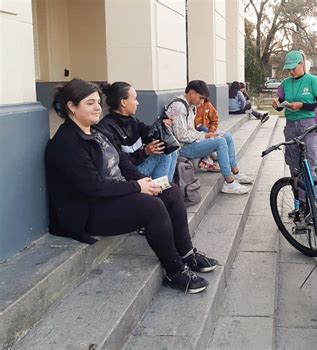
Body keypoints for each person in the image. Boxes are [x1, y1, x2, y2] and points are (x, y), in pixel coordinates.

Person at [45, 78, 217, 294]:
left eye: (98, 102)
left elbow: (122, 162)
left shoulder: (95, 131)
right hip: (89, 211)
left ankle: (187, 253)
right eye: (90, 103)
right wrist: (137, 187)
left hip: (111, 196)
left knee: (170, 191)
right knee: (151, 207)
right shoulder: (67, 143)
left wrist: (146, 182)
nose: (98, 107)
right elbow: (93, 187)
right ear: (71, 106)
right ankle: (174, 271)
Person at [166, 80, 253, 195]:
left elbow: (190, 130)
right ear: (191, 93)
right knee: (220, 142)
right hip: (181, 148)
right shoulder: (178, 107)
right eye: (200, 98)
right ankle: (229, 182)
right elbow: (181, 136)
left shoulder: (190, 106)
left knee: (226, 136)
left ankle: (235, 173)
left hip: (191, 141)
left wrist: (206, 135)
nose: (201, 102)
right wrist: (204, 135)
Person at [99, 81, 177, 182]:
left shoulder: (132, 121)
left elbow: (149, 133)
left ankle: (165, 187)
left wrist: (161, 125)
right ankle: (161, 189)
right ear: (123, 102)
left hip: (137, 165)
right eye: (135, 99)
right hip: (125, 175)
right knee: (163, 155)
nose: (137, 103)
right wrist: (145, 152)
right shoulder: (107, 126)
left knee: (172, 150)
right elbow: (120, 162)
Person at [272, 50, 317, 180]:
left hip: (308, 125)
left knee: (309, 163)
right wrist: (277, 105)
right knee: (294, 165)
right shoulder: (285, 83)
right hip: (291, 126)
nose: (291, 72)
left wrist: (302, 105)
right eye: (288, 69)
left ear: (301, 64)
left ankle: (312, 198)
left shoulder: (312, 80)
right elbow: (280, 105)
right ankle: (298, 198)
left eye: (293, 68)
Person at [194, 97, 220, 172]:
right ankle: (207, 160)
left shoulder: (208, 105)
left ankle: (208, 159)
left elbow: (215, 119)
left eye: (202, 99)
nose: (201, 102)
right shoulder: (191, 107)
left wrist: (211, 131)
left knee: (225, 137)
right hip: (196, 135)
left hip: (207, 132)